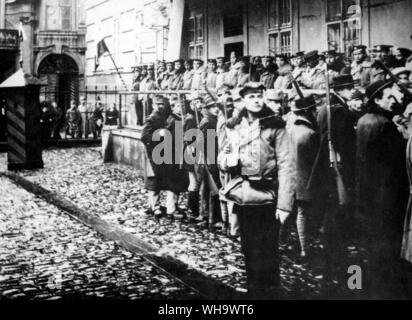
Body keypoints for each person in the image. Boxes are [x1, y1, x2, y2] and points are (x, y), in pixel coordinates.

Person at [218, 82, 295, 299]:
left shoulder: (275, 125)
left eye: (259, 96)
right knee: (248, 246)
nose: (256, 100)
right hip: (244, 194)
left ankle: (270, 291)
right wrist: (227, 160)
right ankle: (254, 291)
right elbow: (221, 156)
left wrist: (284, 204)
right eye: (251, 97)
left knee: (268, 247)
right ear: (243, 100)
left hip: (268, 195)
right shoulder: (234, 125)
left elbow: (287, 165)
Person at [356, 80, 409, 298]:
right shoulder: (385, 125)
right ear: (378, 99)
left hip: (370, 194)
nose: (395, 100)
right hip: (387, 197)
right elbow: (396, 166)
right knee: (387, 249)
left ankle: (365, 288)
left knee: (373, 247)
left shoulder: (364, 120)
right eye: (390, 97)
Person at [289, 95, 320, 258]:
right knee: (304, 214)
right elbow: (316, 160)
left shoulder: (292, 129)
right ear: (310, 112)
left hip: (292, 177)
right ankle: (305, 249)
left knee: (293, 212)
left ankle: (284, 241)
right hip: (306, 179)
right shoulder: (311, 133)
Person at [141, 95, 170, 217]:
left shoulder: (162, 116)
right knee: (154, 180)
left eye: (162, 104)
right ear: (153, 105)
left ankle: (151, 205)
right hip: (153, 153)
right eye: (158, 104)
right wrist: (158, 136)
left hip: (160, 152)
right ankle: (155, 206)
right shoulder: (152, 119)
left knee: (157, 179)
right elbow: (144, 136)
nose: (161, 107)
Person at [196, 94, 221, 228]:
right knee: (212, 188)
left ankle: (206, 216)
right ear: (208, 108)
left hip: (211, 157)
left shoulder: (214, 119)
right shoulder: (208, 121)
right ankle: (211, 218)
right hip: (209, 158)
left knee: (207, 188)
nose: (216, 109)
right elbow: (202, 141)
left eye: (217, 106)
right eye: (212, 107)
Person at [163, 96, 189, 219]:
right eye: (178, 105)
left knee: (177, 182)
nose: (181, 108)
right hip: (173, 156)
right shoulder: (174, 120)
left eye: (182, 105)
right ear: (173, 107)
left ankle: (175, 205)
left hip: (177, 155)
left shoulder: (177, 119)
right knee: (173, 184)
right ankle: (171, 209)